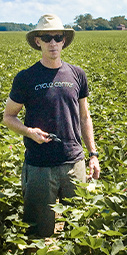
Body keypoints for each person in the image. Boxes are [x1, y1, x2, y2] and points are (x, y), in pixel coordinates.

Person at [3, 14, 100, 238]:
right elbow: (8, 117)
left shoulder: (77, 74)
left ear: (64, 40)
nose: (53, 43)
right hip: (39, 166)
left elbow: (85, 117)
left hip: (74, 163)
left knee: (78, 229)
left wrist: (93, 154)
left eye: (57, 37)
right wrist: (29, 132)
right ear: (38, 41)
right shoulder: (25, 78)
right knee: (38, 232)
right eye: (47, 38)